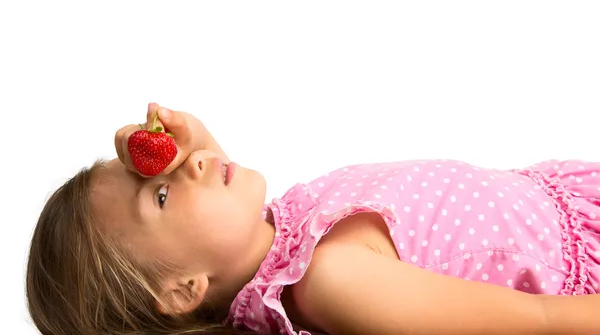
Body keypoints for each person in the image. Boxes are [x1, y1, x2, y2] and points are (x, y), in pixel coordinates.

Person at [26, 103, 600, 335]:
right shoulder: (329, 283)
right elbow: (540, 321)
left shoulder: (272, 240)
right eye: (158, 197)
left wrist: (177, 146)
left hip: (569, 205)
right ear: (182, 291)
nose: (192, 162)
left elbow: (210, 193)